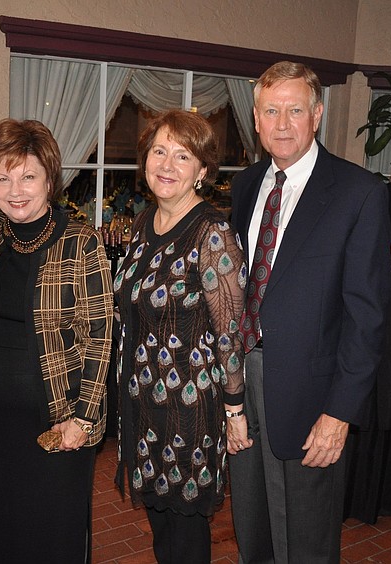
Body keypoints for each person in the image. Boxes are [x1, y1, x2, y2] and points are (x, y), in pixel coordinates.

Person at [229, 61, 391, 563]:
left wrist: (339, 413)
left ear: (317, 115)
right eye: (271, 111)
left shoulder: (358, 193)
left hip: (311, 398)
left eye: (295, 110)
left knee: (306, 543)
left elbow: (368, 319)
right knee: (251, 529)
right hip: (243, 385)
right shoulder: (245, 185)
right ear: (255, 120)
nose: (282, 124)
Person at [0, 118, 114, 563]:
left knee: (56, 535)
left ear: (50, 179)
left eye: (28, 176)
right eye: (3, 177)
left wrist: (84, 418)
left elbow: (100, 336)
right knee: (3, 529)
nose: (16, 189)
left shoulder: (80, 241)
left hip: (57, 419)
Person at [114, 109, 248, 563]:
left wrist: (235, 409)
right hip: (141, 403)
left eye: (182, 155)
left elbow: (230, 331)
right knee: (160, 531)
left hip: (189, 410)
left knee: (186, 536)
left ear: (203, 171)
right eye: (159, 151)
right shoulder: (143, 223)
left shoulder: (212, 232)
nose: (167, 165)